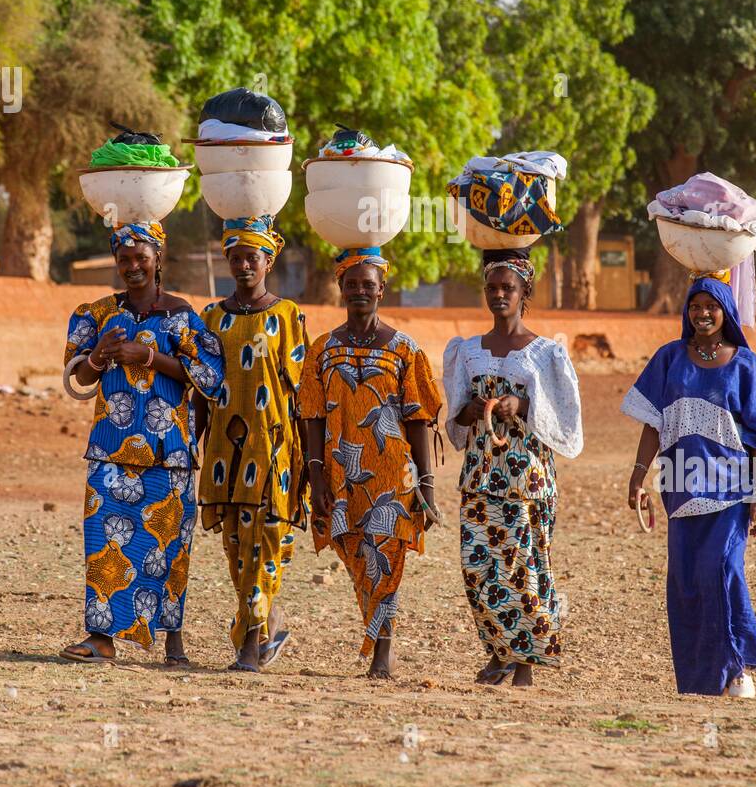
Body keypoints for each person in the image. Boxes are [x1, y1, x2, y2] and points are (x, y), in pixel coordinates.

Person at [61, 221, 224, 663]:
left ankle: (173, 642)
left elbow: (210, 377)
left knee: (167, 547)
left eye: (141, 257)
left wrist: (147, 356)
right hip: (110, 451)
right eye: (125, 258)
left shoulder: (183, 315)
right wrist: (98, 356)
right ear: (116, 262)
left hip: (168, 452)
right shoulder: (96, 314)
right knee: (103, 541)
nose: (133, 266)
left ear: (158, 259)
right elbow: (78, 377)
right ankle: (101, 639)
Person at [621, 276, 756, 698]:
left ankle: (737, 666)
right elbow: (652, 422)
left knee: (723, 570)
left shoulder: (746, 365)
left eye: (712, 306)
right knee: (687, 582)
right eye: (695, 305)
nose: (702, 313)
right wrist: (639, 474)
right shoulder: (669, 358)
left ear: (727, 311)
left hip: (731, 490)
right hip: (679, 488)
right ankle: (701, 679)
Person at [297, 245, 442, 680]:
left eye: (369, 284)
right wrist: (316, 474)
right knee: (356, 554)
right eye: (352, 283)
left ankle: (383, 646)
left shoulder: (404, 349)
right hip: (340, 475)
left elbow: (418, 418)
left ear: (383, 289)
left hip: (392, 474)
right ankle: (376, 631)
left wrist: (426, 485)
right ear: (341, 287)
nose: (360, 290)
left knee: (385, 555)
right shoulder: (323, 349)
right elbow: (311, 415)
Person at [442, 248, 583, 688]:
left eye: (509, 288)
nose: (499, 295)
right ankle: (499, 651)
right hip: (481, 473)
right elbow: (457, 417)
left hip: (526, 477)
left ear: (526, 293)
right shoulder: (467, 351)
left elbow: (566, 420)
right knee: (478, 565)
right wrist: (470, 413)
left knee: (523, 566)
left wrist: (520, 404)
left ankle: (525, 661)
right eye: (493, 288)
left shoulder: (545, 354)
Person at [194, 216, 309, 672]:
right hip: (225, 448)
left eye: (252, 257)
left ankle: (251, 644)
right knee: (237, 547)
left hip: (273, 445)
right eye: (236, 257)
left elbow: (300, 391)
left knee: (264, 540)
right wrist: (195, 440)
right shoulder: (211, 317)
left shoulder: (287, 315)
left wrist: (308, 458)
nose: (244, 265)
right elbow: (204, 386)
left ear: (268, 261)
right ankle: (266, 624)